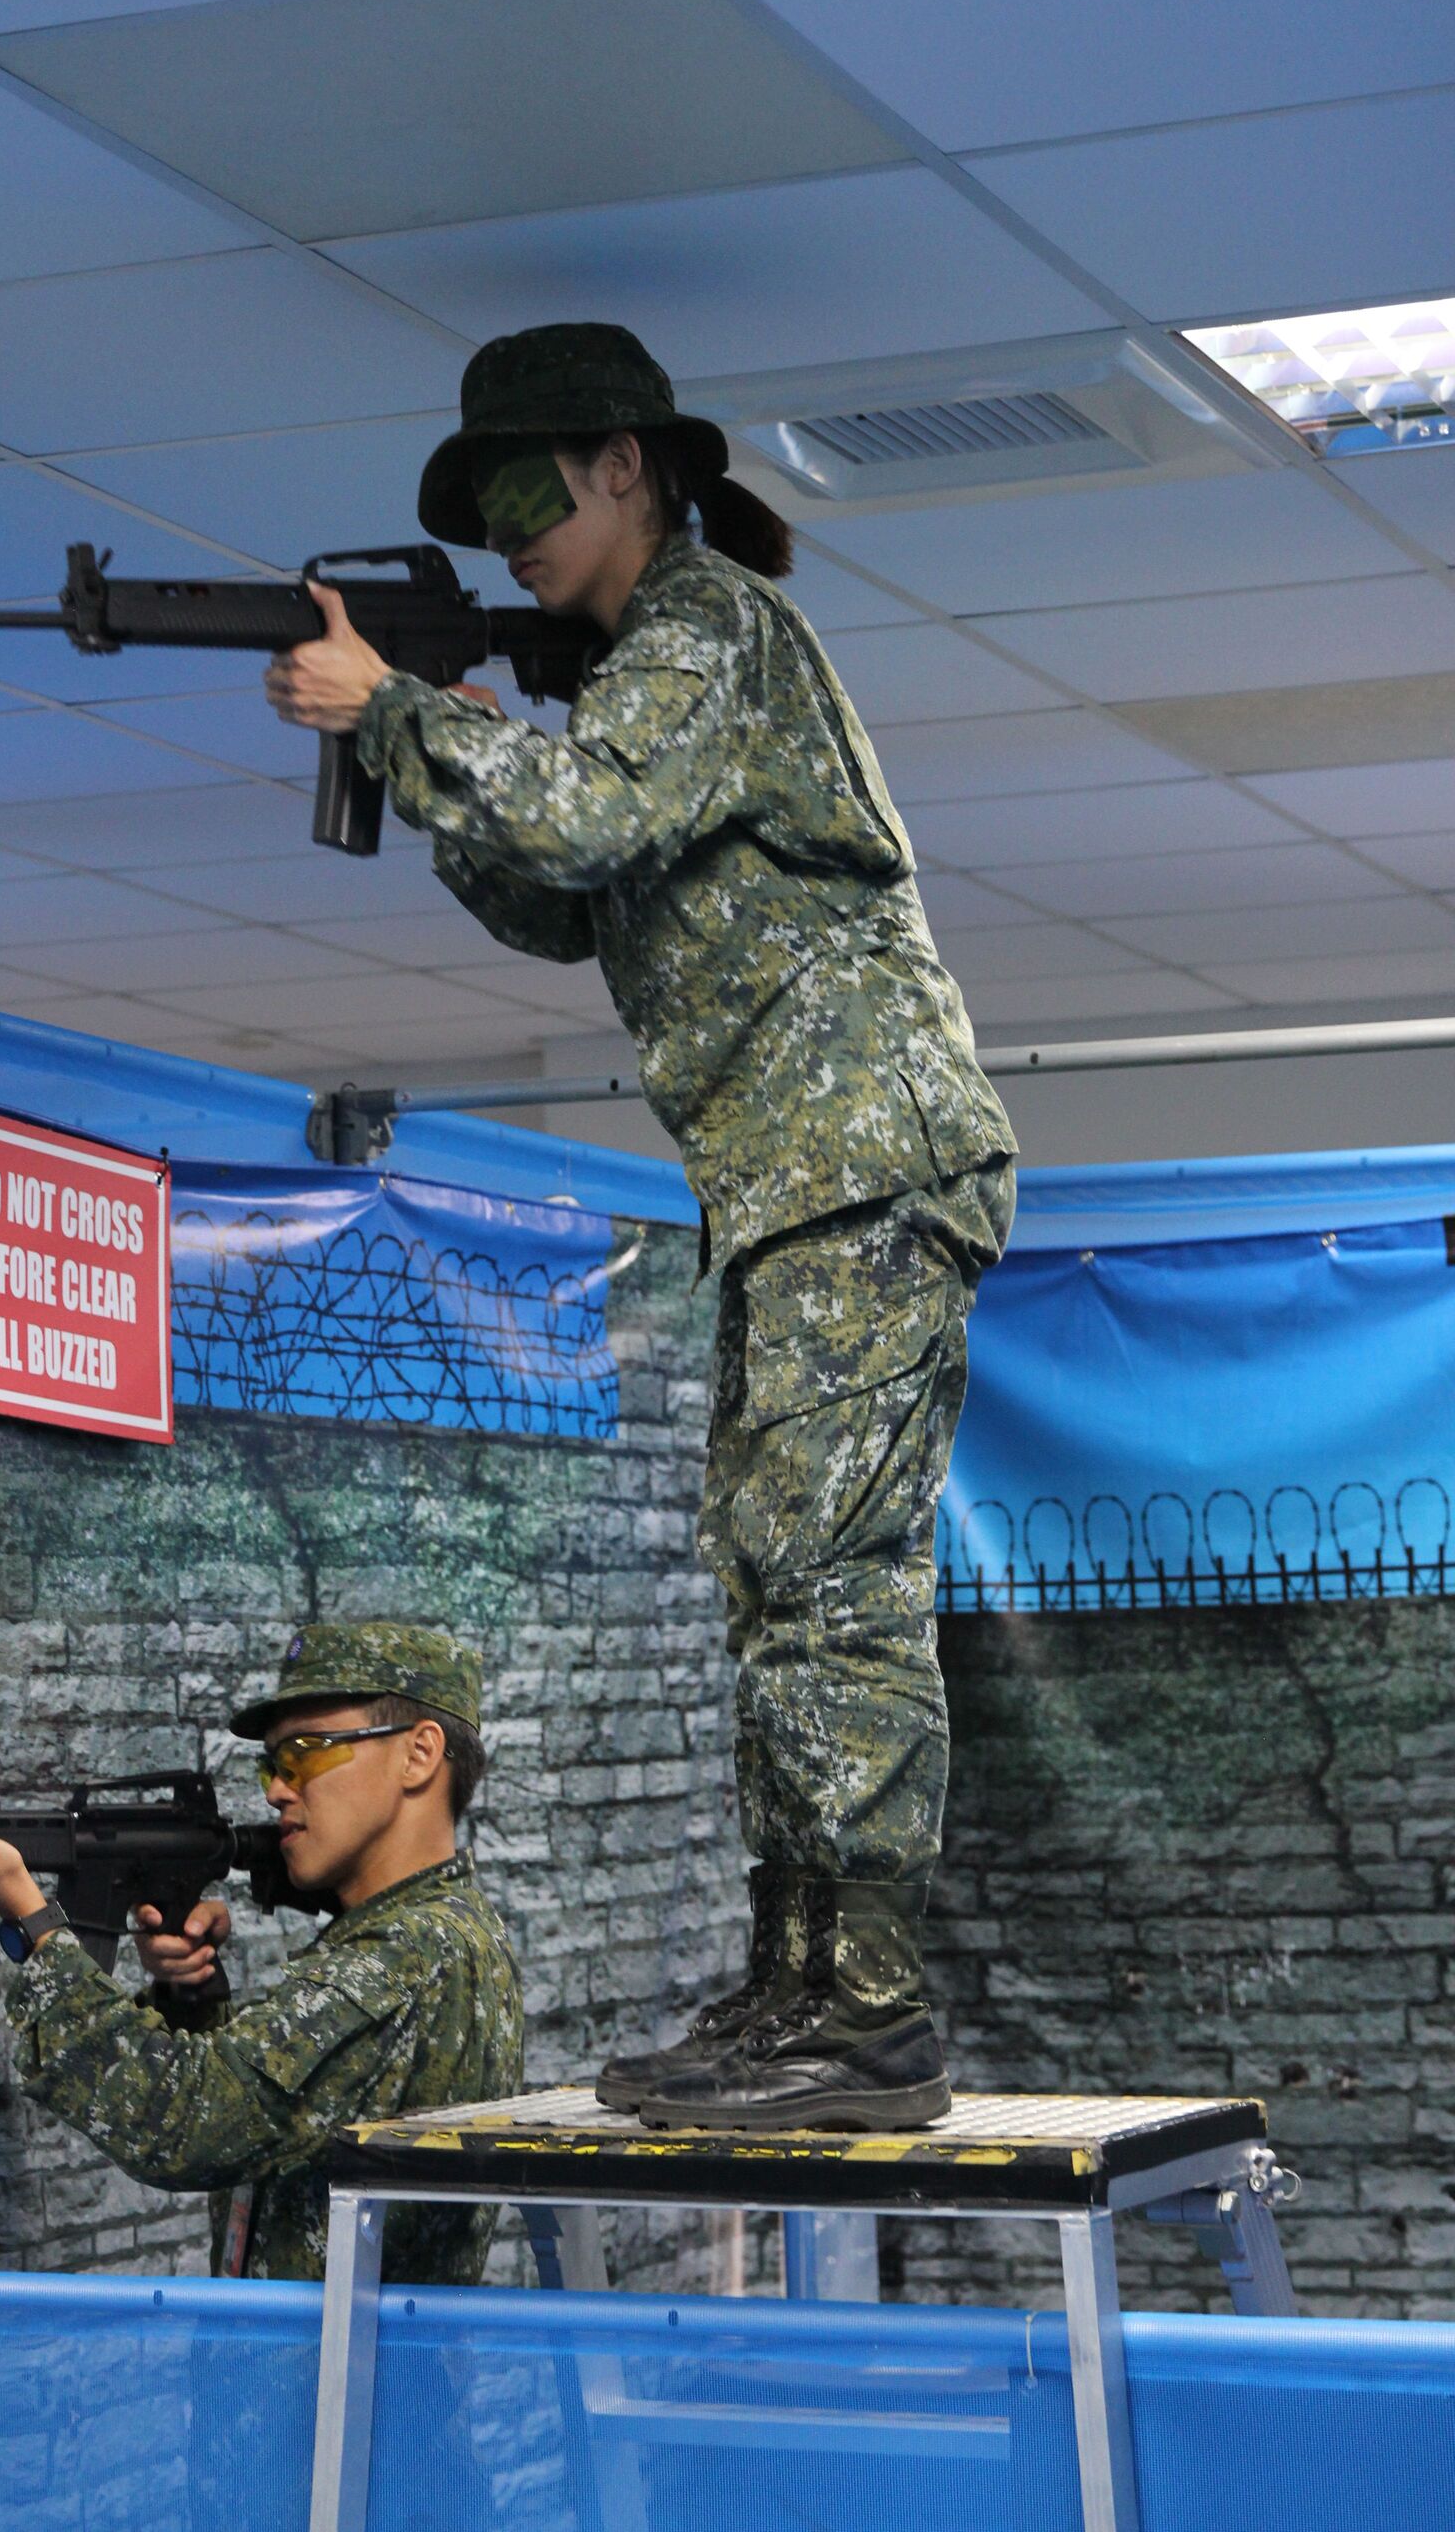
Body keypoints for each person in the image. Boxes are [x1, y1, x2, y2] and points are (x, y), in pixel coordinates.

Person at [262, 323, 1017, 2136]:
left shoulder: (703, 626)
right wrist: (440, 739)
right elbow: (555, 895)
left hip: (856, 1159)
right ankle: (804, 1981)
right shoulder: (638, 673)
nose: (510, 529)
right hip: (791, 1178)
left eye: (529, 488)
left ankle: (867, 2009)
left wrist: (399, 713)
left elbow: (590, 814)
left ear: (626, 466)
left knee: (826, 1588)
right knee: (780, 1584)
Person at [0, 1622, 523, 2281]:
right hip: (324, 2345)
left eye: (304, 1753)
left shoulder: (411, 1950)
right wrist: (190, 1995)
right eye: (272, 1765)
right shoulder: (436, 1930)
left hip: (336, 2351)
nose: (277, 1789)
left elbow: (185, 2123)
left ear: (419, 1754)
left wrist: (33, 1919)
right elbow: (278, 2125)